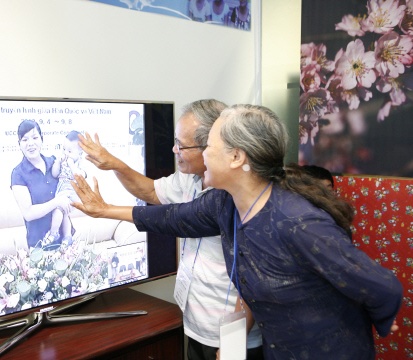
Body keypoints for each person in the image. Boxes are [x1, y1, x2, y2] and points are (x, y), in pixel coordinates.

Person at [70, 104, 403, 360]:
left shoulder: (297, 221)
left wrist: (382, 320)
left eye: (209, 145)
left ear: (236, 157)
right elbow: (172, 217)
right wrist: (104, 211)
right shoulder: (223, 204)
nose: (203, 154)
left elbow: (381, 286)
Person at [77, 99, 264, 360]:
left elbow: (250, 282)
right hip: (196, 324)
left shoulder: (239, 198)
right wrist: (115, 166)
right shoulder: (189, 178)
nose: (174, 149)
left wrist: (232, 347)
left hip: (232, 337)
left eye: (182, 145)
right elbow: (153, 195)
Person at [10, 120, 72, 250]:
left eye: (35, 138)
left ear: (42, 139)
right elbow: (28, 213)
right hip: (40, 248)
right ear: (19, 144)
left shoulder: (54, 163)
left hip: (66, 244)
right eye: (25, 140)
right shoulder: (18, 174)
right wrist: (57, 202)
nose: (30, 144)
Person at [47, 130, 87, 246]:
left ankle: (54, 233)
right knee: (64, 213)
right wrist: (57, 163)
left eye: (70, 151)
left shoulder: (80, 163)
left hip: (72, 193)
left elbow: (79, 176)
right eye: (64, 149)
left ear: (80, 152)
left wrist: (71, 164)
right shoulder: (62, 161)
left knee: (58, 208)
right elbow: (55, 174)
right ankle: (67, 237)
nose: (66, 153)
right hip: (61, 191)